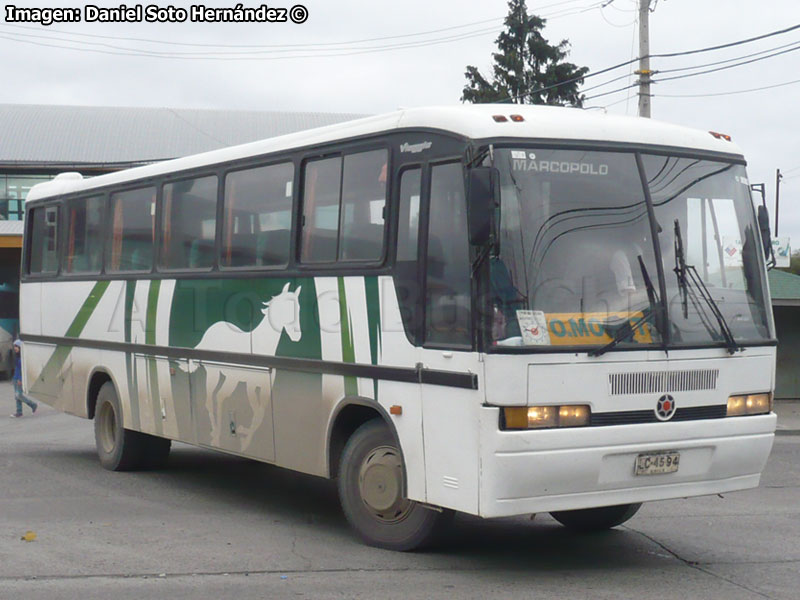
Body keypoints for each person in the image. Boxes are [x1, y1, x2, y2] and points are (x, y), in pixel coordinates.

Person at [10, 340, 37, 418]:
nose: (15, 348)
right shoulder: (17, 356)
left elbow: (22, 369)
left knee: (19, 395)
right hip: (15, 378)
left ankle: (33, 405)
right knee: (17, 396)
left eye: (17, 346)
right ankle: (19, 412)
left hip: (19, 379)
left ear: (20, 347)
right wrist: (14, 378)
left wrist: (19, 379)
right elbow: (17, 369)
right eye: (14, 346)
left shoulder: (22, 357)